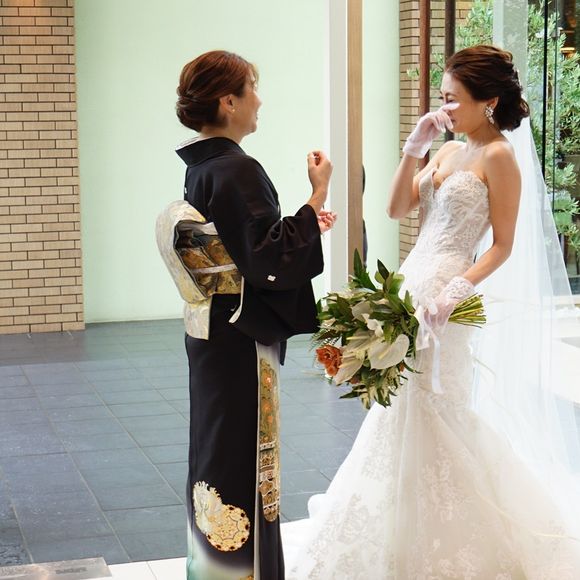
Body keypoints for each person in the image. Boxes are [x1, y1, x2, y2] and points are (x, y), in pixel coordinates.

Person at [282, 45, 580, 579]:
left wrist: (455, 293)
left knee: (440, 409)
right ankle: (398, 526)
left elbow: (503, 245)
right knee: (398, 409)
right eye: (441, 98)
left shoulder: (499, 157)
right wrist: (414, 148)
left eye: (454, 99)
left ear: (489, 102)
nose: (444, 109)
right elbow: (397, 208)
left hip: (447, 303)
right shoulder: (447, 152)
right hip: (407, 287)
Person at [157, 50, 335, 580]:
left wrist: (304, 224)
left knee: (215, 451)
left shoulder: (205, 168)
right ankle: (243, 572)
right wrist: (316, 196)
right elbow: (266, 260)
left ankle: (214, 568)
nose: (259, 100)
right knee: (243, 456)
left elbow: (247, 245)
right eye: (252, 88)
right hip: (239, 336)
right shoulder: (238, 168)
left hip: (212, 329)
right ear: (228, 102)